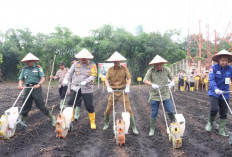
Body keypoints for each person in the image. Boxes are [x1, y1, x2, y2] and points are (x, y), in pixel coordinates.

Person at [102, 51, 139, 135]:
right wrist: (108, 87)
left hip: (123, 91)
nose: (117, 62)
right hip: (113, 91)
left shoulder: (124, 68)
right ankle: (106, 123)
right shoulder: (110, 70)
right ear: (113, 62)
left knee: (128, 109)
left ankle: (134, 127)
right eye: (115, 61)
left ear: (120, 61)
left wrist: (128, 86)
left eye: (118, 61)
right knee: (108, 108)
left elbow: (129, 78)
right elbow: (106, 79)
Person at [18, 53, 56, 127]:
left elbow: (43, 78)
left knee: (41, 105)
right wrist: (20, 85)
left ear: (33, 61)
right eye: (28, 61)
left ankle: (52, 118)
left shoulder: (38, 68)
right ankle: (22, 121)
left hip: (36, 88)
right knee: (25, 104)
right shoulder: (24, 69)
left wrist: (38, 84)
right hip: (28, 88)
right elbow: (21, 79)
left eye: (31, 61)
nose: (29, 62)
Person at [63, 49, 97, 129]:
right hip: (76, 87)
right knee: (71, 103)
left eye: (84, 59)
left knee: (89, 106)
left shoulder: (93, 64)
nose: (83, 60)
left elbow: (93, 75)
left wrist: (86, 81)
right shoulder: (75, 64)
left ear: (87, 58)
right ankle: (70, 119)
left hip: (87, 88)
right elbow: (69, 73)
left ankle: (92, 122)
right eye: (81, 59)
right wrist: (66, 79)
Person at [143, 55, 176, 136]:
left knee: (170, 110)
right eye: (157, 64)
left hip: (165, 93)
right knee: (154, 112)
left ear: (162, 64)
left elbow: (174, 77)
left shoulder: (166, 70)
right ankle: (152, 128)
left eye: (160, 64)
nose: (158, 66)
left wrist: (172, 82)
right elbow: (145, 80)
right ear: (154, 65)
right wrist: (151, 84)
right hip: (155, 94)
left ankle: (174, 125)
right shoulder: (151, 71)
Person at [205, 49, 232, 136]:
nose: (225, 62)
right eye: (223, 60)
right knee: (214, 109)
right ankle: (210, 123)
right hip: (214, 92)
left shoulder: (230, 68)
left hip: (225, 92)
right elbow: (211, 80)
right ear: (219, 60)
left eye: (226, 60)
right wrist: (216, 89)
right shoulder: (213, 68)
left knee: (224, 112)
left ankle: (221, 130)